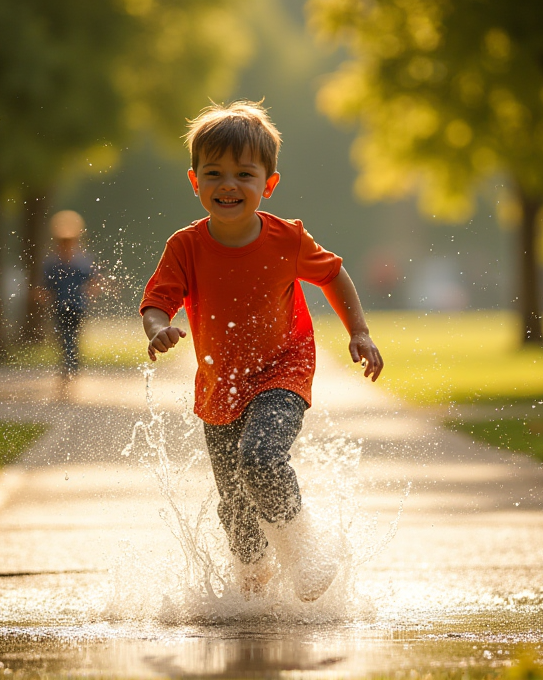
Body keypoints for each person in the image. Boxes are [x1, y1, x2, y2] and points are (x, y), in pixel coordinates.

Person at [140, 101, 383, 602]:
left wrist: (359, 332)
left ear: (268, 184)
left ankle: (305, 552)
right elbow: (157, 301)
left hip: (282, 369)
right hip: (219, 385)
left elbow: (333, 273)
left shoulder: (286, 238)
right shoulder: (185, 246)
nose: (228, 184)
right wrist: (159, 327)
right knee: (235, 510)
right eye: (214, 173)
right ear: (195, 181)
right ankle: (254, 589)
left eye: (243, 174)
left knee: (261, 458)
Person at [42, 210, 95, 390]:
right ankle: (69, 368)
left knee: (71, 338)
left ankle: (70, 370)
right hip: (60, 305)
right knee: (65, 338)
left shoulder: (81, 260)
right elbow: (46, 285)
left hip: (76, 306)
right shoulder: (54, 262)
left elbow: (91, 280)